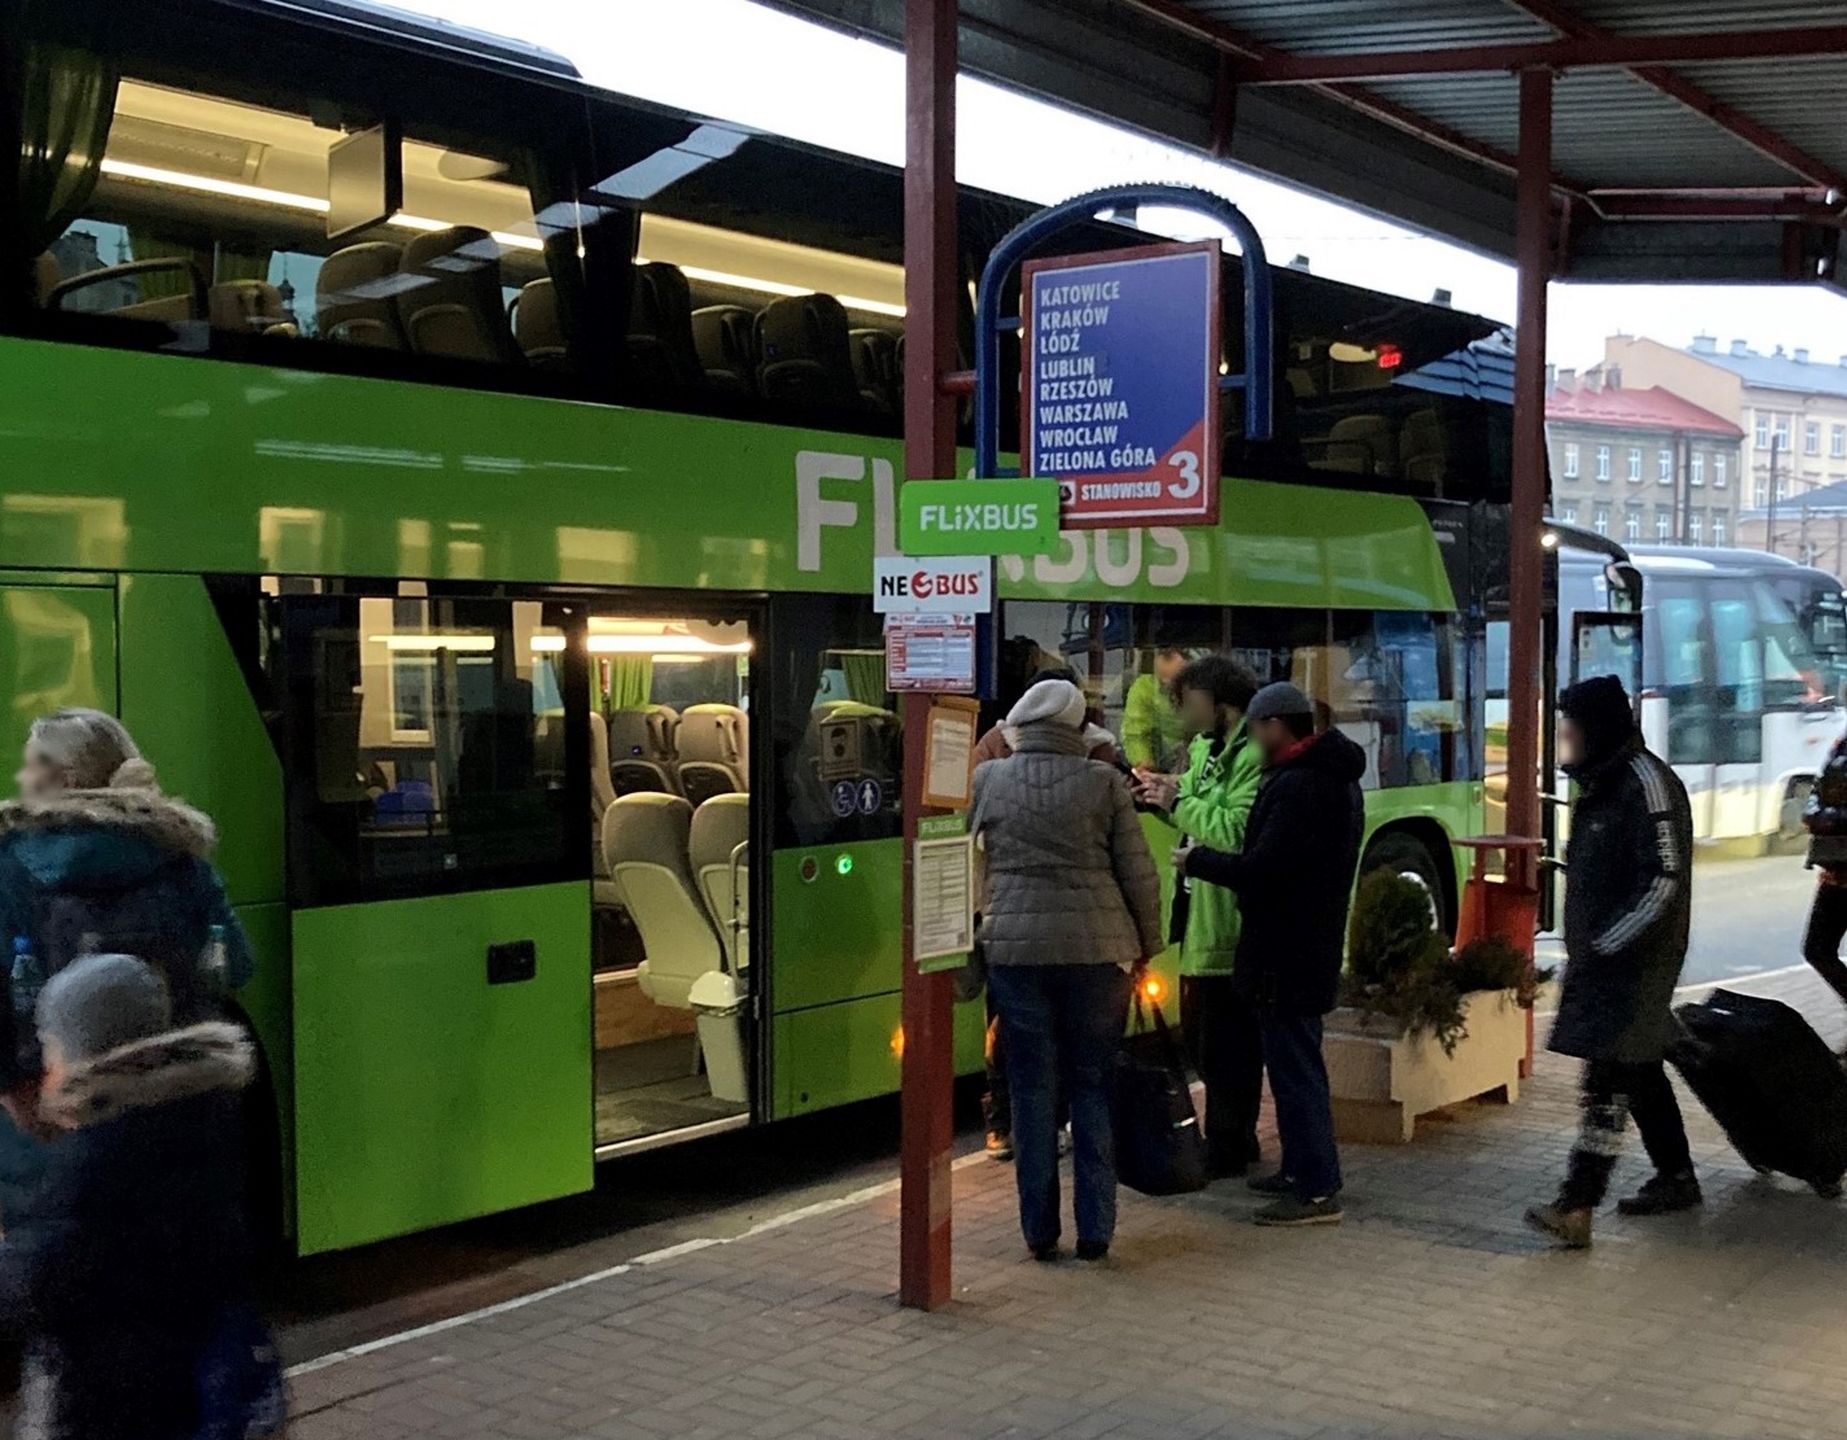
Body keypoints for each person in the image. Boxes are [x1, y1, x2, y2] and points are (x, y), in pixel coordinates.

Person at [0, 709, 251, 1214]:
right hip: (170, 1099)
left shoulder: (11, 862)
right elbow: (237, 965)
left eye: (30, 767)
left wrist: (16, 1090)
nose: (21, 779)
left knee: (56, 1254)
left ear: (63, 778)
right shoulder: (180, 856)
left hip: (49, 1106)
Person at [0, 953, 259, 1440]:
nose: (47, 1067)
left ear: (86, 1056)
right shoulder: (201, 1113)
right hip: (188, 1377)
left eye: (52, 1049)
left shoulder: (93, 1159)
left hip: (109, 1397)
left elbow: (36, 1282)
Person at [973, 678, 1164, 1261]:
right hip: (1098, 956)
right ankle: (1096, 1231)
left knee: (1031, 1092)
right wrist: (1146, 946)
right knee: (1092, 1088)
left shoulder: (988, 780)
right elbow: (1139, 876)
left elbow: (962, 861)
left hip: (1016, 957)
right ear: (1078, 729)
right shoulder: (1104, 784)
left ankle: (1038, 1232)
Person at [1175, 682, 1364, 1227]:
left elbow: (1263, 868)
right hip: (1303, 945)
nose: (1253, 740)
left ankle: (1317, 1188)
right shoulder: (1328, 778)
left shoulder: (1300, 786)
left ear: (1277, 726)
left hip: (1288, 950)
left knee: (1297, 1071)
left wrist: (1198, 862)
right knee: (1291, 1068)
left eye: (1257, 729)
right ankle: (1301, 1169)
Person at [1526, 674, 1697, 1250]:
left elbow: (1663, 879)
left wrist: (1607, 942)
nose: (1565, 740)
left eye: (1571, 729)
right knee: (1639, 1067)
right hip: (1606, 959)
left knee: (1607, 1080)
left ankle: (1577, 1206)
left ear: (1596, 728)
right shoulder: (1602, 782)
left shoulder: (1645, 785)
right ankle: (1677, 1177)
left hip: (1636, 964)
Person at [971, 665, 1116, 1160]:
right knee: (1085, 1070)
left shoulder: (990, 760)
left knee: (1013, 1042)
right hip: (1091, 941)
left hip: (1009, 930)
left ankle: (1013, 1134)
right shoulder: (1099, 760)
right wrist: (1141, 944)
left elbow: (957, 827)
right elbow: (1133, 868)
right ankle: (1094, 1227)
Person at [1135, 655, 1264, 1176]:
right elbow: (1193, 816)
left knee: (1228, 1047)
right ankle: (1233, 1138)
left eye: (1188, 702)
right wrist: (1158, 799)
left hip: (1229, 921)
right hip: (1197, 914)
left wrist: (1178, 799)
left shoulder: (1252, 754)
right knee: (1204, 1041)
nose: (1179, 712)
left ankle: (1231, 1144)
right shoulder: (1206, 749)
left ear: (1223, 705)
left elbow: (1236, 832)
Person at [1797, 733, 1847, 1015]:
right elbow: (1820, 788)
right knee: (1817, 949)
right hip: (1836, 869)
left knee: (1819, 948)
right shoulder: (1842, 743)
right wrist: (1816, 814)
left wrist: (1831, 817)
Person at [1121, 643, 1188, 773]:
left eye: (1175, 681)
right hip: (1162, 761)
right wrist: (1144, 765)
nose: (1169, 687)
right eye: (1163, 681)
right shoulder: (1144, 688)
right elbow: (1136, 733)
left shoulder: (1203, 688)